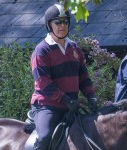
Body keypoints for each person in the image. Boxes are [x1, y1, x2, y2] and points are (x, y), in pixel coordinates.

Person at [30, 3, 98, 150]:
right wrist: (66, 99)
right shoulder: (41, 50)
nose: (62, 25)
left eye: (65, 21)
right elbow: (43, 83)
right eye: (58, 22)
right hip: (47, 106)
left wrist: (91, 96)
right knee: (44, 137)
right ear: (49, 25)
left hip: (71, 106)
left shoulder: (74, 48)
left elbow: (83, 76)